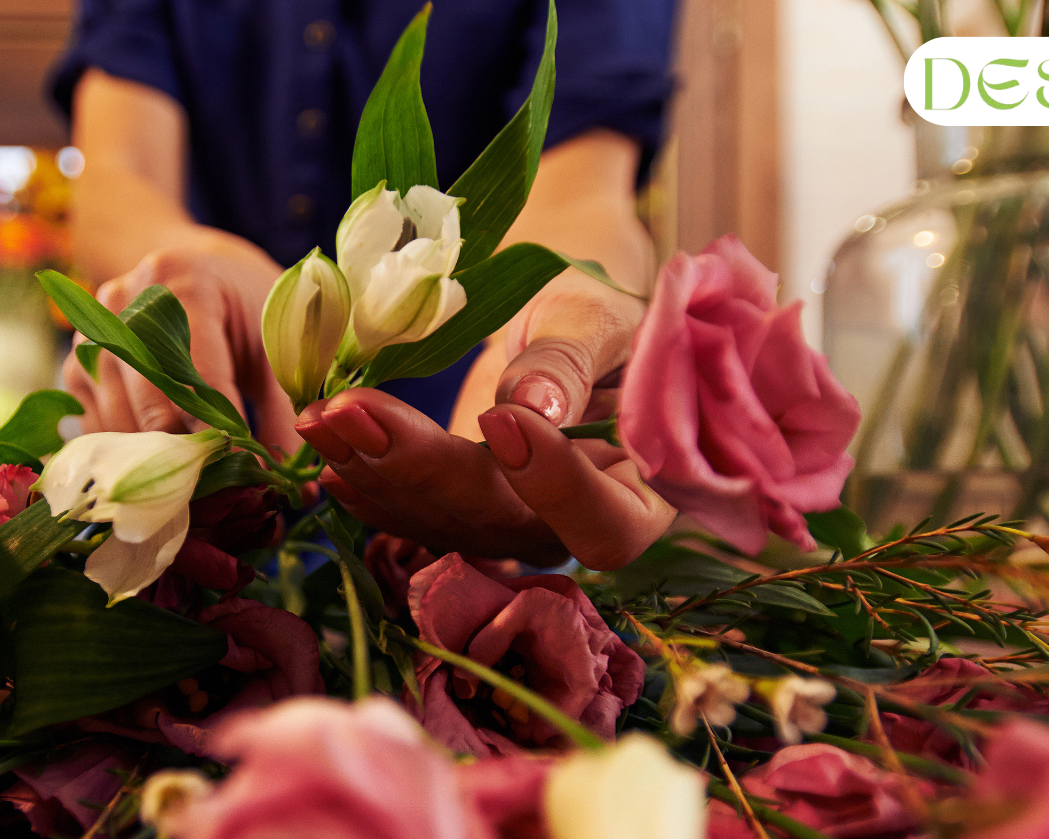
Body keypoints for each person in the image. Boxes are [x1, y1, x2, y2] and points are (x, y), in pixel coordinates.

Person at [48, 1, 680, 568]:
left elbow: (583, 193)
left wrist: (561, 308)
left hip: (467, 454)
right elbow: (115, 180)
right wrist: (184, 268)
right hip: (215, 436)